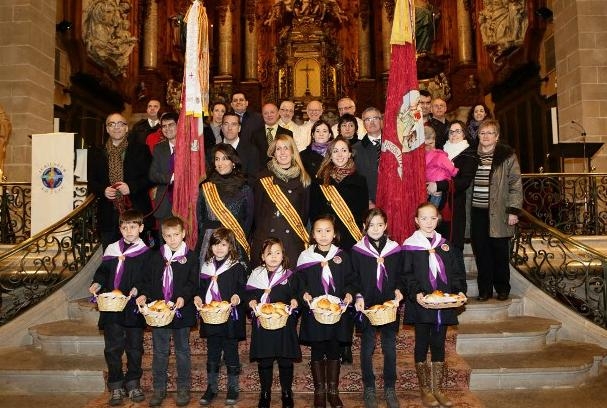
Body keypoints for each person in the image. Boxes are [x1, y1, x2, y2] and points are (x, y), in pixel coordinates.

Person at [402, 203, 467, 408]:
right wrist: (416, 293)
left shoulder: (446, 245)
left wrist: (459, 291)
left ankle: (438, 388)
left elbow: (456, 272)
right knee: (422, 343)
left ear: (438, 219)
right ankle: (425, 389)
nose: (428, 222)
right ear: (416, 221)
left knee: (439, 343)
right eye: (424, 218)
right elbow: (406, 274)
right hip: (421, 304)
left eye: (432, 218)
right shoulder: (410, 246)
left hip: (444, 303)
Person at [89, 210, 150, 406]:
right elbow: (103, 272)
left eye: (133, 226)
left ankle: (133, 383)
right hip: (112, 306)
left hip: (132, 306)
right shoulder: (112, 249)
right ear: (120, 229)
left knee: (134, 348)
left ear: (141, 228)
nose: (128, 231)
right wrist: (97, 283)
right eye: (124, 227)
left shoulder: (146, 253)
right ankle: (115, 385)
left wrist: (138, 288)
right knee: (113, 348)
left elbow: (148, 278)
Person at [136, 216, 199, 407]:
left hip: (182, 310)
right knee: (160, 351)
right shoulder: (155, 256)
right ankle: (159, 388)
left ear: (183, 234)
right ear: (163, 236)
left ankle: (183, 387)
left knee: (182, 351)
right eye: (168, 236)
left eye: (176, 235)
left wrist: (183, 297)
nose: (172, 239)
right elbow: (146, 280)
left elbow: (193, 282)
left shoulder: (191, 256)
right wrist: (143, 295)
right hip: (159, 312)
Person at [296, 215, 355, 408]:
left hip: (337, 312)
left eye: (327, 231)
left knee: (334, 348)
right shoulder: (305, 257)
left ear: (334, 233)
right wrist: (303, 293)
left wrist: (348, 293)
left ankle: (333, 390)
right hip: (315, 313)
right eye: (319, 231)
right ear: (312, 234)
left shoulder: (342, 256)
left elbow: (350, 280)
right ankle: (319, 390)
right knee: (317, 348)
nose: (323, 235)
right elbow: (299, 282)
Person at [352, 208, 404, 408]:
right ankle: (369, 387)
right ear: (365, 226)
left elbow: (401, 275)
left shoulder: (395, 249)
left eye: (380, 225)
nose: (375, 229)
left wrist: (399, 290)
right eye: (371, 225)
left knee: (390, 348)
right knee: (367, 347)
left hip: (389, 305)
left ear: (386, 226)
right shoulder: (357, 251)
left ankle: (390, 387)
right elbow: (353, 278)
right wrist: (357, 295)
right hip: (366, 306)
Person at [470, 119, 522, 301]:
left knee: (499, 252)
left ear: (497, 136)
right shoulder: (470, 155)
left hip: (499, 212)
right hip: (477, 212)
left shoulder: (507, 156)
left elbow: (515, 184)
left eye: (490, 133)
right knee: (481, 252)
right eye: (482, 133)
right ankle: (484, 290)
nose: (485, 136)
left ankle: (502, 288)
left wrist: (513, 211)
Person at [194, 228, 247, 406]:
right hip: (211, 318)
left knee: (231, 352)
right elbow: (202, 289)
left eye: (224, 244)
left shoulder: (236, 266)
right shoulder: (206, 266)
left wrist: (237, 297)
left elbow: (242, 288)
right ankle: (212, 387)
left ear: (231, 246)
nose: (219, 248)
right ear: (210, 246)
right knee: (213, 352)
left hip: (230, 318)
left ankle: (233, 387)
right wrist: (198, 297)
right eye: (216, 244)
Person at [246, 238, 301, 408]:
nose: (274, 257)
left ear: (283, 255)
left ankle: (286, 391)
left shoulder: (289, 275)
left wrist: (294, 301)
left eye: (278, 253)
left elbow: (296, 294)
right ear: (262, 256)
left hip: (284, 325)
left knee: (285, 361)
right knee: (265, 361)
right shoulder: (256, 274)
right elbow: (249, 295)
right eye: (269, 253)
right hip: (263, 325)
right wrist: (251, 302)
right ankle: (265, 392)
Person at [87, 112, 153, 249]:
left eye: (120, 124)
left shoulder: (141, 150)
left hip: (136, 212)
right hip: (108, 215)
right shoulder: (96, 153)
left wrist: (132, 187)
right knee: (111, 258)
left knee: (137, 259)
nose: (116, 127)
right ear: (107, 129)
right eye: (112, 124)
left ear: (126, 128)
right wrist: (103, 190)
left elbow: (150, 178)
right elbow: (91, 181)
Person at [251, 134, 311, 267]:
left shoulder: (303, 179)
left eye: (286, 148)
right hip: (268, 240)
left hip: (291, 242)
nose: (283, 152)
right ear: (273, 152)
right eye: (278, 149)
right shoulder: (263, 178)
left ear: (292, 151)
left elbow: (304, 214)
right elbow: (257, 214)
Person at [196, 144, 254, 263]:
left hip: (234, 241)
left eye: (225, 158)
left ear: (233, 162)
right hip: (210, 241)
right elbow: (201, 219)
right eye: (217, 159)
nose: (220, 163)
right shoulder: (206, 187)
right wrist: (210, 235)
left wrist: (235, 237)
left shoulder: (244, 189)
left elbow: (248, 221)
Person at [311, 137, 368, 251]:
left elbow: (363, 212)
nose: (340, 154)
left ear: (350, 154)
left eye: (344, 150)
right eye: (335, 151)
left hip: (351, 237)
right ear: (330, 155)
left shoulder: (360, 180)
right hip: (327, 239)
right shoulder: (319, 180)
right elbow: (314, 213)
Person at [429, 120, 478, 250]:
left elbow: (464, 182)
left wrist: (439, 185)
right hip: (434, 202)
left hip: (455, 204)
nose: (454, 134)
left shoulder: (469, 154)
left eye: (458, 131)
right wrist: (429, 187)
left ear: (464, 133)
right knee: (435, 244)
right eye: (451, 132)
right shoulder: (439, 151)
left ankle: (456, 271)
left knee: (453, 245)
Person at [149, 112, 179, 224]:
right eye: (164, 126)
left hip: (186, 206)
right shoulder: (159, 148)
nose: (167, 129)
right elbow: (153, 175)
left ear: (178, 125)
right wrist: (172, 177)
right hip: (164, 206)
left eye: (171, 125)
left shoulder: (191, 147)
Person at [221, 112, 261, 187]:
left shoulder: (252, 151)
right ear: (222, 127)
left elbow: (253, 178)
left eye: (234, 124)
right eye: (226, 124)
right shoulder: (213, 150)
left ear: (239, 128)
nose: (229, 128)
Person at [354, 107, 383, 208]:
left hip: (395, 198)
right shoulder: (355, 150)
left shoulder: (394, 145)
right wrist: (368, 200)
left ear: (381, 120)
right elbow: (355, 180)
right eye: (367, 119)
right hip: (370, 203)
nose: (372, 122)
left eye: (375, 118)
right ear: (363, 124)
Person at [424, 126, 458, 207]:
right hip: (428, 187)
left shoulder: (439, 155)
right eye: (425, 144)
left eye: (431, 143)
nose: (428, 147)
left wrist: (454, 171)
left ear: (435, 140)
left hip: (439, 187)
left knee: (432, 210)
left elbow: (450, 167)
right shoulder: (421, 156)